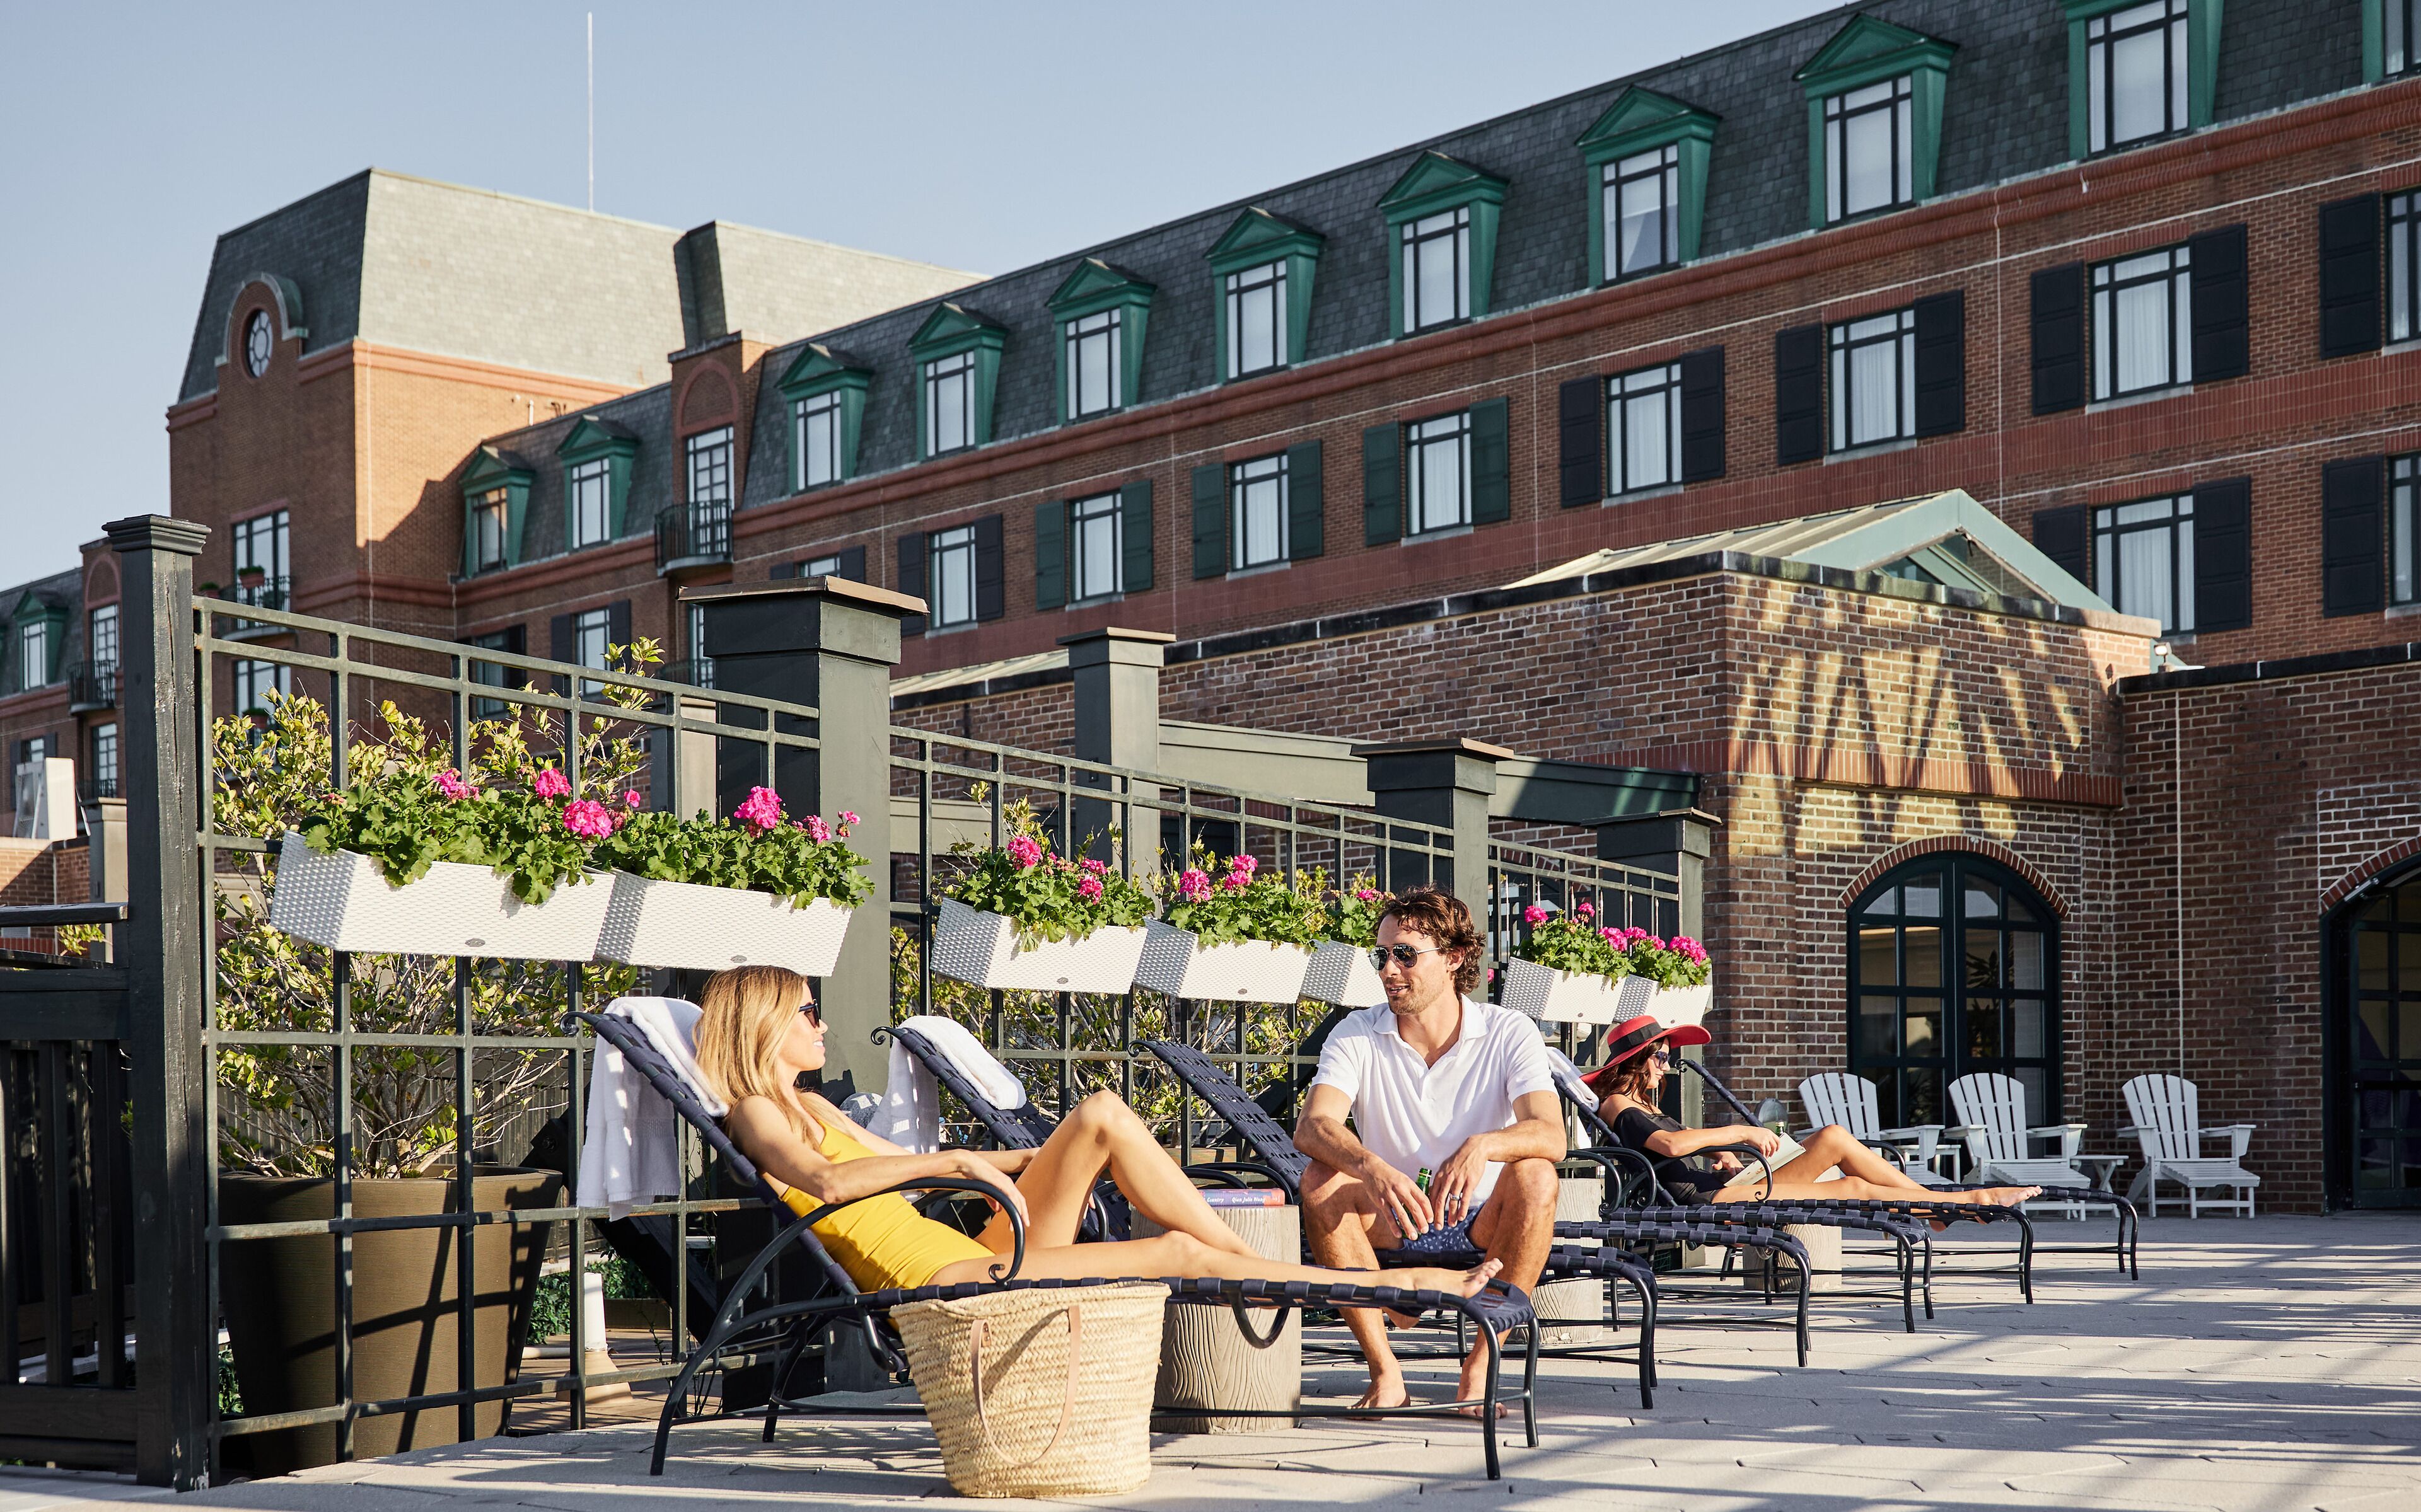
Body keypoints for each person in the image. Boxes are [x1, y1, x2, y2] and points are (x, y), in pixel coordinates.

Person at [693, 964, 1504, 1307]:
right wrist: (962, 1159)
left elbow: (906, 1168)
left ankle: (1262, 1271)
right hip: (941, 1277)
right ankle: (1369, 1285)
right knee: (1178, 1251)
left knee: (1103, 1113)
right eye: (806, 1009)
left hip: (973, 1245)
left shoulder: (814, 1106)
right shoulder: (756, 1112)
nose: (821, 1022)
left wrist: (1023, 1157)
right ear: (762, 1022)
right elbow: (831, 1184)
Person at [1294, 887, 1564, 1415]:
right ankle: (1385, 1371)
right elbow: (1312, 1125)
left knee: (1537, 1175)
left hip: (1484, 1219)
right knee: (1319, 1180)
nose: (1388, 969)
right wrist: (1371, 1167)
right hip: (1392, 1216)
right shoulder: (1358, 1032)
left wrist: (1484, 1145)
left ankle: (1480, 1366)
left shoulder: (1509, 1031)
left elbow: (1551, 1134)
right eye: (1381, 955)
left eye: (1405, 954)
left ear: (1454, 957)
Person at [1584, 1012, 2040, 1209]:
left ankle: (1940, 1204)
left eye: (1668, 1056)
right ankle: (1964, 1202)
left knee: (1834, 1136)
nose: (1667, 1065)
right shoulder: (1616, 1103)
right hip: (1707, 1200)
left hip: (1727, 1185)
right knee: (1853, 1186)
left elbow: (1677, 1147)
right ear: (1636, 1060)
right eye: (1662, 1056)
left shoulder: (1645, 1104)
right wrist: (1739, 1133)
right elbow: (1668, 1145)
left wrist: (1723, 1157)